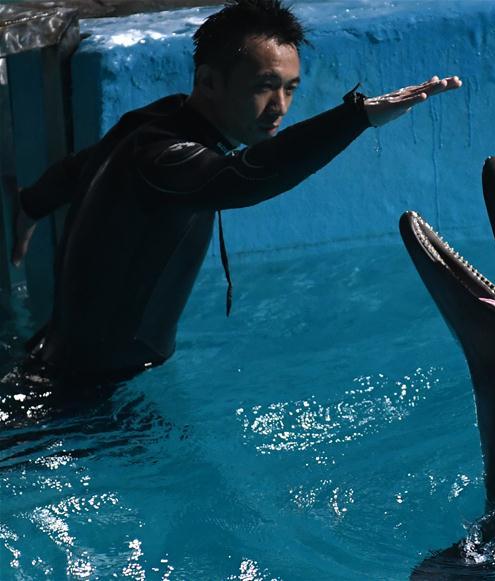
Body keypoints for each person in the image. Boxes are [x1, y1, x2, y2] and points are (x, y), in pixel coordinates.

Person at [8, 0, 461, 383]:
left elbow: (79, 168)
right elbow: (239, 179)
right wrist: (357, 117)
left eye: (290, 88)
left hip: (61, 360)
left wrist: (30, 206)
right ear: (208, 82)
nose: (279, 106)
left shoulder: (153, 122)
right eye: (264, 87)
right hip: (86, 394)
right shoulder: (164, 155)